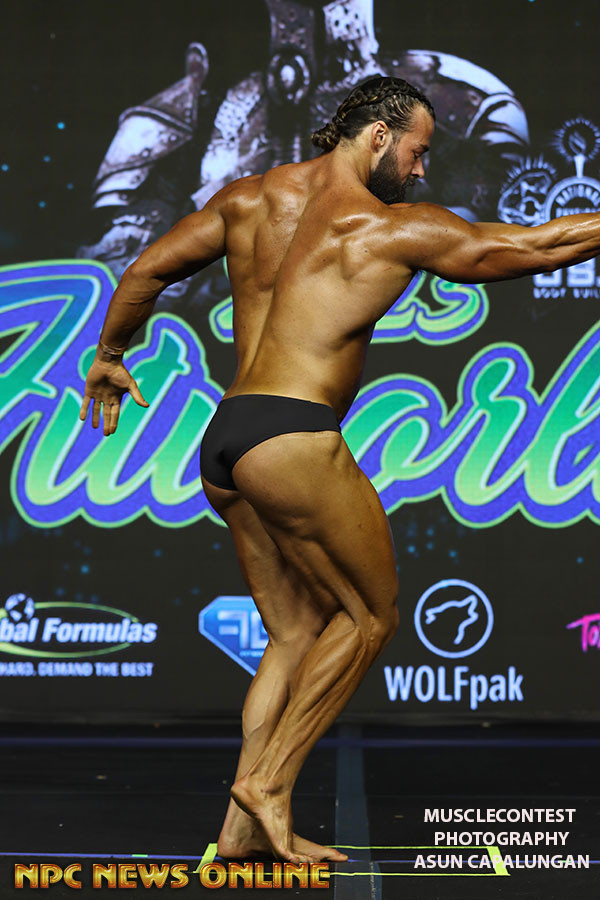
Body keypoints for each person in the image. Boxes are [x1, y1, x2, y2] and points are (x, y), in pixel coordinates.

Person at [79, 75, 599, 864]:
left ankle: (239, 832)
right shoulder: (384, 228)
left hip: (226, 440)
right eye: (419, 150)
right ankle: (268, 784)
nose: (422, 169)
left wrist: (110, 354)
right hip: (291, 436)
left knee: (292, 633)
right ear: (379, 136)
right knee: (369, 617)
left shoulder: (248, 199)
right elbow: (528, 248)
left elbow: (149, 267)